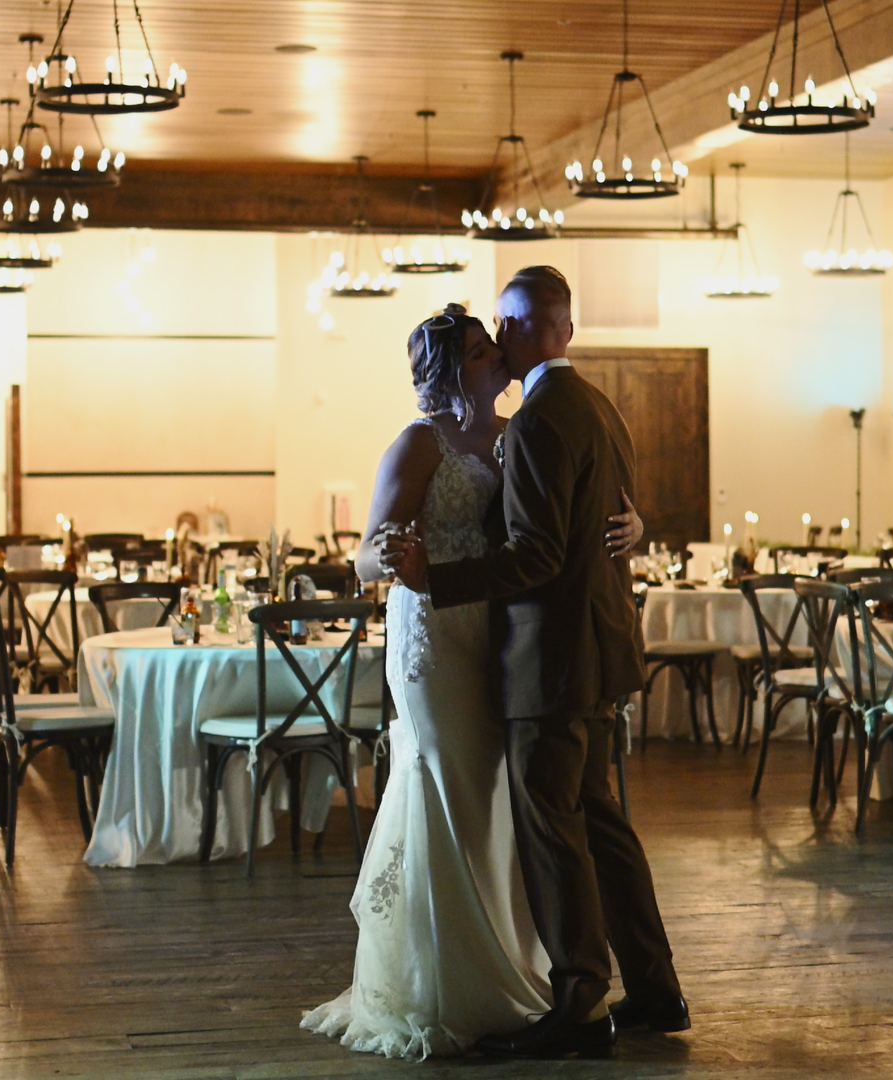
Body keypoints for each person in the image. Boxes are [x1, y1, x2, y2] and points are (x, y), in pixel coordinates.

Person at [301, 303, 644, 1060]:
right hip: (432, 636)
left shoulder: (514, 431)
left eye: (497, 344)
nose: (499, 355)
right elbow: (363, 558)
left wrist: (635, 527)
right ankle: (439, 982)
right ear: (457, 367)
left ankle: (504, 967)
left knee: (493, 804)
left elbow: (563, 520)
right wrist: (395, 556)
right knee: (446, 791)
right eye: (485, 348)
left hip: (497, 638)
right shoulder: (420, 443)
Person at [386, 267, 687, 1061]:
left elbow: (540, 554)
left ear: (523, 330)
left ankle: (581, 1003)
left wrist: (436, 580)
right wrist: (639, 526)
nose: (495, 340)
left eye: (500, 327)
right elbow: (603, 518)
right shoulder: (598, 405)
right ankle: (655, 989)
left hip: (549, 662)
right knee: (603, 826)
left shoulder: (538, 421)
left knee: (555, 832)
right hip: (598, 652)